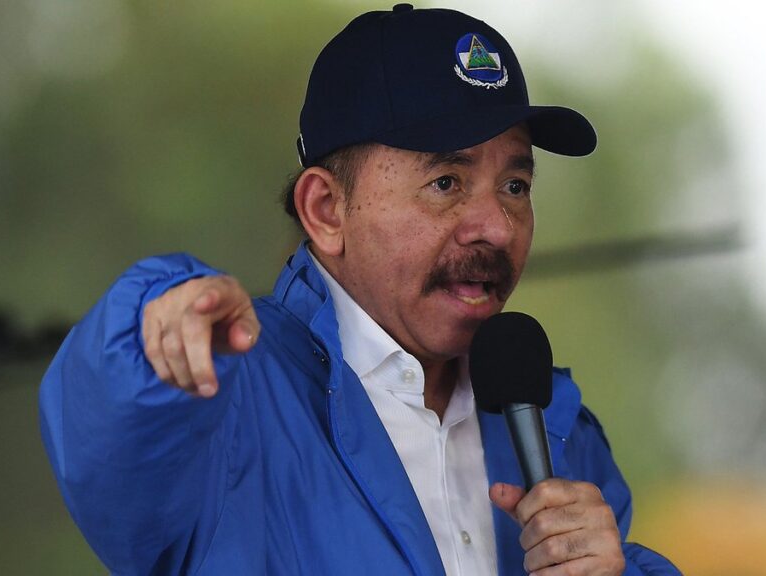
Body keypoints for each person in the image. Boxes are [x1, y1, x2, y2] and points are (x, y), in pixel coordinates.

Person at [39, 5, 680, 575]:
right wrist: (153, 337)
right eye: (447, 183)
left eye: (515, 185)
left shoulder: (556, 429)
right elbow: (108, 439)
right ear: (325, 210)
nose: (496, 226)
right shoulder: (223, 397)